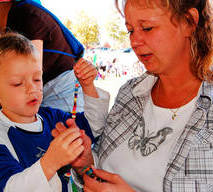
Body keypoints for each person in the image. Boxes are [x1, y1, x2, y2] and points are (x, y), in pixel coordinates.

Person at [57, 0, 213, 191]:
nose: (134, 42)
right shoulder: (130, 93)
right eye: (130, 31)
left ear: (188, 22)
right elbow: (104, 170)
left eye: (147, 28)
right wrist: (85, 164)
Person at [0, 32, 110, 192]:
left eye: (37, 79)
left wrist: (88, 86)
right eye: (17, 83)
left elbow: (94, 125)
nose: (32, 89)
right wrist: (51, 161)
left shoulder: (54, 118)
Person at [0, 0, 85, 112]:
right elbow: (0, 84)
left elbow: (20, 93)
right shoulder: (12, 22)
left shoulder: (27, 18)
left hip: (65, 107)